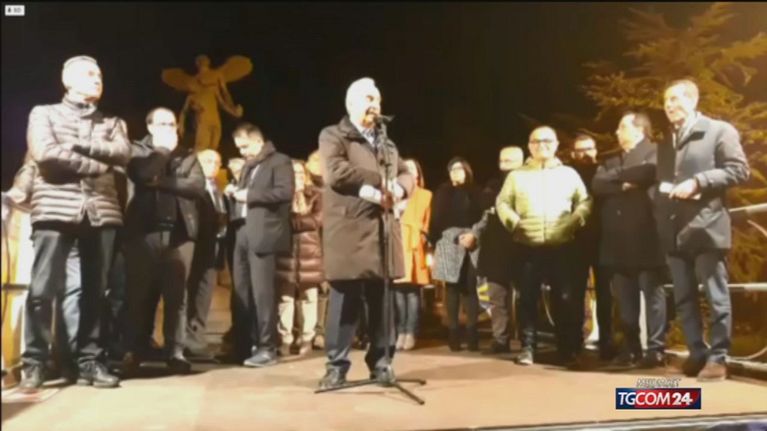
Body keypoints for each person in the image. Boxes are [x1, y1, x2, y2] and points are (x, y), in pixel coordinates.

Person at [21, 55, 130, 391]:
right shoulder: (44, 113)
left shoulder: (113, 122)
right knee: (42, 290)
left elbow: (123, 153)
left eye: (99, 74)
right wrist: (97, 165)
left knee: (97, 293)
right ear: (67, 81)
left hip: (102, 210)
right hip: (54, 208)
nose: (97, 79)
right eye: (89, 74)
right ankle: (35, 362)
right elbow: (45, 154)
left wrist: (79, 145)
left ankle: (90, 361)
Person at [317, 77, 414, 389]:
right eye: (369, 99)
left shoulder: (387, 142)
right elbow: (336, 173)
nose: (376, 105)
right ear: (351, 103)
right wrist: (380, 183)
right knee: (345, 301)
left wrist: (401, 188)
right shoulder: (334, 135)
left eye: (378, 99)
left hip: (382, 231)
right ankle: (336, 366)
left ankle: (382, 363)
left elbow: (405, 172)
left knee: (382, 301)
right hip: (350, 231)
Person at [655, 79, 750, 381]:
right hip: (674, 231)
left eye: (675, 99)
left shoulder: (719, 130)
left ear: (694, 100)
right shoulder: (667, 141)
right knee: (683, 298)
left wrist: (699, 181)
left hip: (707, 227)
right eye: (666, 101)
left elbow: (739, 170)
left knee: (715, 296)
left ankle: (719, 357)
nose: (669, 105)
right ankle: (696, 353)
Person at [496, 126, 592, 367]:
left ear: (557, 144)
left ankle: (567, 349)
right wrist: (514, 222)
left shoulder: (568, 174)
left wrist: (574, 220)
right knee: (527, 298)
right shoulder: (516, 176)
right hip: (527, 245)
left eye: (547, 141)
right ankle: (528, 347)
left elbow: (585, 201)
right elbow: (502, 202)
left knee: (564, 298)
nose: (542, 145)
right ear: (529, 146)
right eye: (536, 141)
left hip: (562, 245)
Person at [122, 107, 205, 375]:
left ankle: (175, 351)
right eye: (163, 124)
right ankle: (134, 350)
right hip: (143, 233)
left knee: (177, 296)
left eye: (172, 124)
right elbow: (143, 174)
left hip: (179, 234)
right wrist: (162, 152)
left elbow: (197, 187)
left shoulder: (188, 155)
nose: (170, 129)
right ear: (150, 127)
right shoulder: (136, 150)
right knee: (139, 294)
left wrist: (161, 182)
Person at [592, 112, 667, 369]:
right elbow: (597, 184)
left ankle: (655, 349)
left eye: (622, 126)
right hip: (616, 239)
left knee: (653, 295)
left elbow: (648, 172)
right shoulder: (610, 159)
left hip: (646, 235)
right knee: (625, 299)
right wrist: (624, 182)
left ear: (639, 130)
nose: (616, 132)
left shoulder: (656, 151)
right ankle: (631, 347)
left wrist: (615, 178)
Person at [226, 123, 294, 367]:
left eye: (244, 146)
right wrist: (235, 191)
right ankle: (242, 346)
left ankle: (267, 347)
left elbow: (285, 193)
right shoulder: (248, 165)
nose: (242, 152)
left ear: (257, 141)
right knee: (241, 291)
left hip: (264, 234)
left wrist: (249, 196)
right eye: (239, 148)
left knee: (263, 293)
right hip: (242, 231)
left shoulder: (279, 161)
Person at [569, 134, 616, 360]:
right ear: (572, 153)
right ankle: (575, 341)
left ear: (595, 150)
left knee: (606, 293)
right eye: (580, 150)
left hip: (604, 239)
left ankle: (607, 341)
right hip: (575, 241)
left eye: (589, 149)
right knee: (575, 293)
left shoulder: (605, 171)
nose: (585, 154)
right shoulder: (567, 175)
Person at [472, 146, 523, 354]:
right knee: (496, 297)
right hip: (495, 250)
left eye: (509, 161)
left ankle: (527, 339)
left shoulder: (528, 182)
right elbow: (484, 203)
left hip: (522, 247)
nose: (504, 165)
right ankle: (500, 338)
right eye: (502, 161)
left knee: (524, 298)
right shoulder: (493, 185)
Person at [430, 157, 484, 352]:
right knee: (451, 288)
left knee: (470, 286)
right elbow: (436, 219)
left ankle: (472, 333)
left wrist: (473, 235)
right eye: (452, 169)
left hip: (471, 242)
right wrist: (438, 239)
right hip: (448, 242)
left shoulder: (476, 191)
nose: (456, 172)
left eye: (459, 168)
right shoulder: (443, 192)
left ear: (467, 171)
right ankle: (453, 333)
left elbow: (483, 215)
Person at [276, 160, 323, 356]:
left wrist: (293, 221)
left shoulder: (316, 195)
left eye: (301, 173)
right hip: (285, 253)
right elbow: (278, 220)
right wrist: (299, 221)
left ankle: (306, 338)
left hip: (309, 254)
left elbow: (317, 220)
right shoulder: (281, 196)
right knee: (285, 298)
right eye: (294, 173)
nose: (298, 177)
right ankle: (285, 338)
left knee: (309, 298)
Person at [185, 149, 228, 356]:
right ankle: (188, 340)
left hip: (214, 249)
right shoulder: (194, 187)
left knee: (204, 296)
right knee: (192, 294)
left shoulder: (218, 189)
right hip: (196, 248)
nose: (213, 165)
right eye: (207, 161)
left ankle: (197, 337)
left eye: (217, 162)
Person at [393, 158, 432, 351]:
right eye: (405, 168)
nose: (409, 171)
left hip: (414, 245)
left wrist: (422, 238)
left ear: (418, 173)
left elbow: (428, 223)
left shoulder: (426, 195)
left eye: (412, 168)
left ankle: (411, 332)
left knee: (413, 292)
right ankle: (400, 331)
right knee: (398, 292)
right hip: (397, 242)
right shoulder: (396, 194)